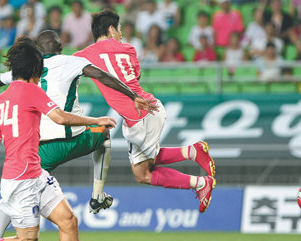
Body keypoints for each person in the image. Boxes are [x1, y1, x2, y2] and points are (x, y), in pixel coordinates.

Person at [0, 32, 157, 240]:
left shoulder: (21, 72)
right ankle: (97, 195)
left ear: (38, 51)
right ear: (61, 47)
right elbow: (102, 76)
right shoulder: (72, 61)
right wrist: (133, 96)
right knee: (103, 131)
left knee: (13, 194)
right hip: (74, 139)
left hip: (40, 149)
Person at [75, 9, 216, 213]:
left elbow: (64, 67)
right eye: (119, 28)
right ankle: (193, 154)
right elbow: (134, 78)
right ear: (111, 29)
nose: (121, 32)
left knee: (145, 171)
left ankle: (200, 180)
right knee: (145, 167)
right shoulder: (129, 49)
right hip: (146, 110)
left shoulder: (84, 55)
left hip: (141, 115)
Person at [0, 42, 116, 241]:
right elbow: (60, 117)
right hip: (21, 179)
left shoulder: (2, 100)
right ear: (34, 69)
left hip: (34, 174)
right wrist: (96, 120)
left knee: (68, 221)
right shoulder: (31, 90)